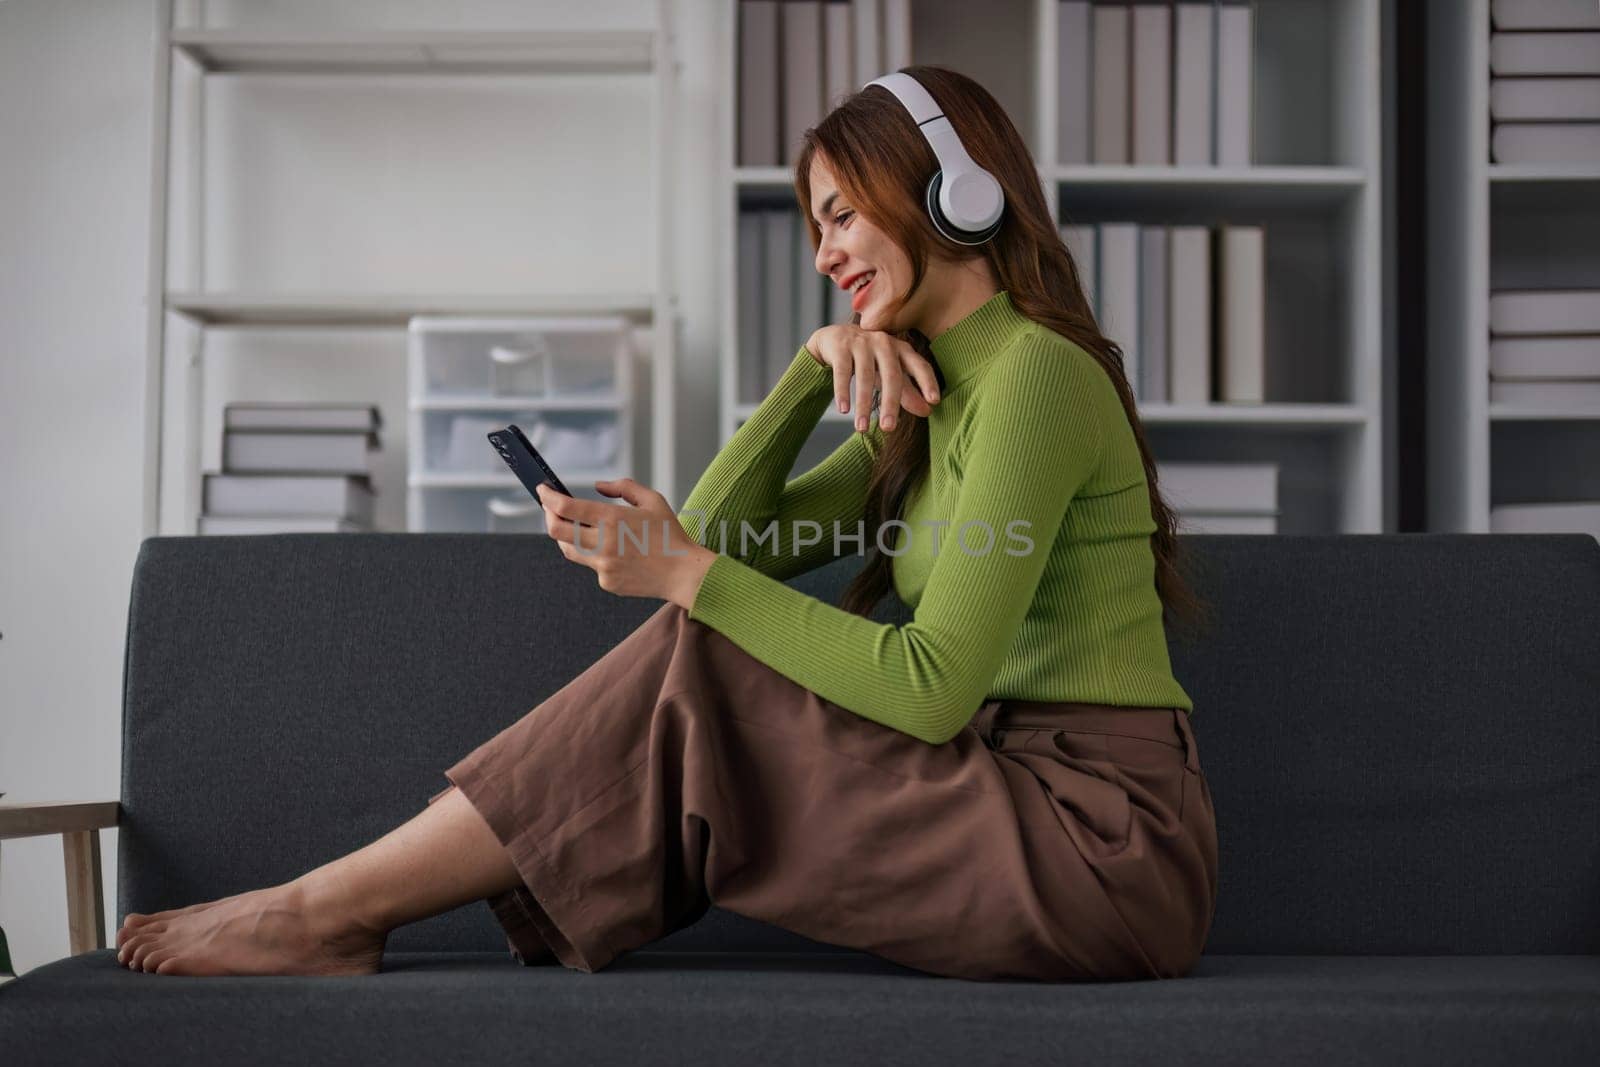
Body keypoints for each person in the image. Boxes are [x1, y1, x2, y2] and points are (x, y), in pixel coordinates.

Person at [114, 66, 1218, 983]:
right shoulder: (931, 395)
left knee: (708, 633)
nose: (825, 251)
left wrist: (686, 575)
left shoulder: (1034, 373)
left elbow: (927, 688)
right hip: (1009, 793)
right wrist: (807, 368)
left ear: (953, 196)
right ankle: (327, 911)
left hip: (1094, 843)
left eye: (840, 212)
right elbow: (726, 540)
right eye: (814, 227)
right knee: (706, 631)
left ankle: (324, 910)